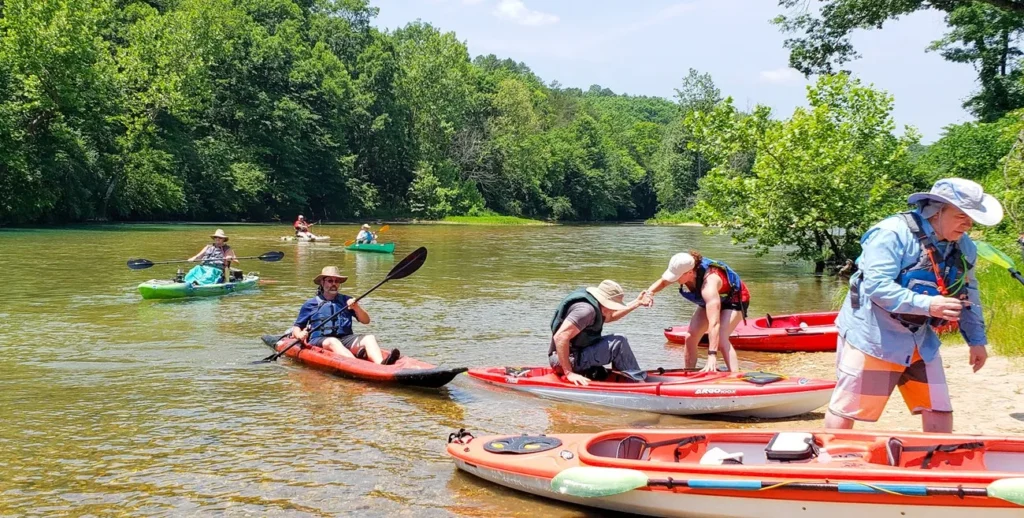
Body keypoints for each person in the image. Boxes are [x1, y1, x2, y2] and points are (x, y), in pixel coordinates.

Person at [825, 178, 1002, 433]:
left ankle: (938, 462)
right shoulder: (891, 234)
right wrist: (929, 305)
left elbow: (968, 292)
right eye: (961, 215)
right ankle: (832, 462)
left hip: (920, 339)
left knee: (938, 408)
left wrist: (976, 341)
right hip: (875, 337)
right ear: (936, 211)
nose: (968, 223)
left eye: (971, 217)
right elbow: (877, 287)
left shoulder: (964, 246)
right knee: (848, 409)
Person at [645, 251, 750, 373]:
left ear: (690, 272)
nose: (673, 279)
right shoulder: (684, 270)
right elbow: (663, 282)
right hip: (711, 300)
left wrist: (712, 355)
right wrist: (649, 293)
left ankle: (735, 376)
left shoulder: (709, 285)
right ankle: (689, 372)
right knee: (691, 336)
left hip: (734, 299)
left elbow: (714, 323)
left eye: (676, 276)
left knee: (722, 338)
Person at [549, 280, 652, 386]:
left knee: (619, 340)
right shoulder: (586, 311)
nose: (614, 309)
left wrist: (637, 302)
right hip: (565, 360)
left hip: (574, 355)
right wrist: (569, 373)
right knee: (619, 342)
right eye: (613, 306)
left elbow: (611, 317)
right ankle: (637, 383)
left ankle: (625, 378)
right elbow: (560, 337)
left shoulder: (596, 305)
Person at [290, 266, 398, 365]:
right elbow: (297, 327)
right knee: (333, 341)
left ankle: (381, 364)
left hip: (345, 338)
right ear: (322, 283)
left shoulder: (347, 301)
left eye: (337, 281)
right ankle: (358, 365)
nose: (334, 284)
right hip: (320, 340)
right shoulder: (310, 304)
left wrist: (356, 307)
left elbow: (366, 321)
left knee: (369, 338)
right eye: (330, 281)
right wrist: (299, 334)